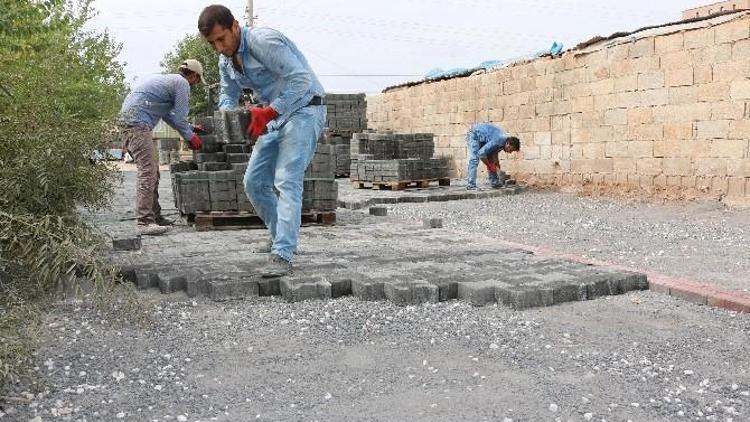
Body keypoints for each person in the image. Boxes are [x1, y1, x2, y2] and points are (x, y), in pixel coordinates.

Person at [198, 5, 326, 276]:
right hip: (274, 117)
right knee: (254, 183)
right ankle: (280, 234)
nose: (219, 48)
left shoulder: (263, 41)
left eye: (222, 39)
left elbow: (301, 80)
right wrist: (228, 118)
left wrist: (268, 111)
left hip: (304, 109)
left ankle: (283, 254)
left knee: (286, 178)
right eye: (212, 44)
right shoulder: (226, 61)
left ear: (235, 26)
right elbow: (227, 95)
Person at [119, 60, 206, 235]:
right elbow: (180, 119)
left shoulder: (168, 82)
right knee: (148, 172)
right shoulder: (182, 84)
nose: (196, 84)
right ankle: (144, 223)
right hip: (137, 125)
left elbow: (169, 116)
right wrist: (191, 137)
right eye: (198, 80)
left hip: (132, 123)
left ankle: (155, 217)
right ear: (194, 75)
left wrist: (189, 128)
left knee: (153, 172)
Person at [465, 123, 521, 190]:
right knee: (474, 159)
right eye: (511, 150)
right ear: (508, 144)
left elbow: (494, 154)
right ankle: (471, 186)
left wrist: (497, 166)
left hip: (484, 137)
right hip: (474, 134)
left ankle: (494, 183)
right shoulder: (499, 140)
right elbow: (481, 154)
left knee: (492, 161)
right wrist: (490, 165)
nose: (510, 152)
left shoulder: (503, 142)